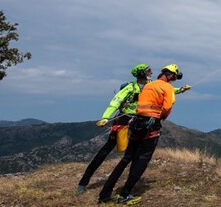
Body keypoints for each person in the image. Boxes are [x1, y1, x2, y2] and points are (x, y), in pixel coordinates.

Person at [76, 65, 191, 195]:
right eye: (148, 71)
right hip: (124, 120)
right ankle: (84, 181)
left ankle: (123, 188)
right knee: (107, 149)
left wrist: (181, 90)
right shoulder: (130, 87)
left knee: (131, 155)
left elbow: (166, 90)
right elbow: (115, 101)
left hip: (139, 120)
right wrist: (105, 117)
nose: (151, 72)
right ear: (141, 73)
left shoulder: (151, 84)